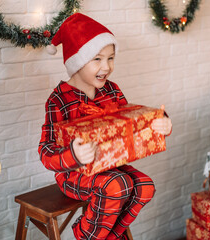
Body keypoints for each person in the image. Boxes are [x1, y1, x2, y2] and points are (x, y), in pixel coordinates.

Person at [39, 13, 172, 240]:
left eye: (111, 58)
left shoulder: (112, 90)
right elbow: (46, 152)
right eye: (97, 59)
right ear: (78, 61)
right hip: (72, 174)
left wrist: (160, 123)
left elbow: (132, 121)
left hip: (109, 166)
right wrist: (73, 154)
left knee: (145, 186)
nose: (107, 67)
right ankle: (86, 236)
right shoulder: (59, 99)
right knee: (118, 185)